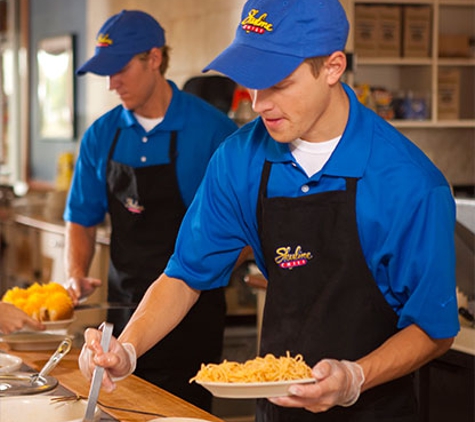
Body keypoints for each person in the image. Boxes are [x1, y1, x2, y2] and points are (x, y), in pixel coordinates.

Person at [78, 1, 460, 420]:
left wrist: (354, 378)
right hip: (276, 409)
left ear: (332, 68)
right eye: (251, 82)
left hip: (375, 406)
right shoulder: (239, 159)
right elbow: (185, 275)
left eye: (278, 82)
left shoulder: (409, 183)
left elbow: (433, 328)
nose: (259, 103)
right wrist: (127, 349)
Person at [63, 10, 237, 411]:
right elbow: (81, 217)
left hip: (194, 315)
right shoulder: (101, 135)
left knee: (184, 413)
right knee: (120, 409)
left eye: (120, 69)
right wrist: (75, 273)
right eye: (106, 73)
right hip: (124, 308)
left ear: (154, 58)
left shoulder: (214, 131)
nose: (112, 84)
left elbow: (244, 226)